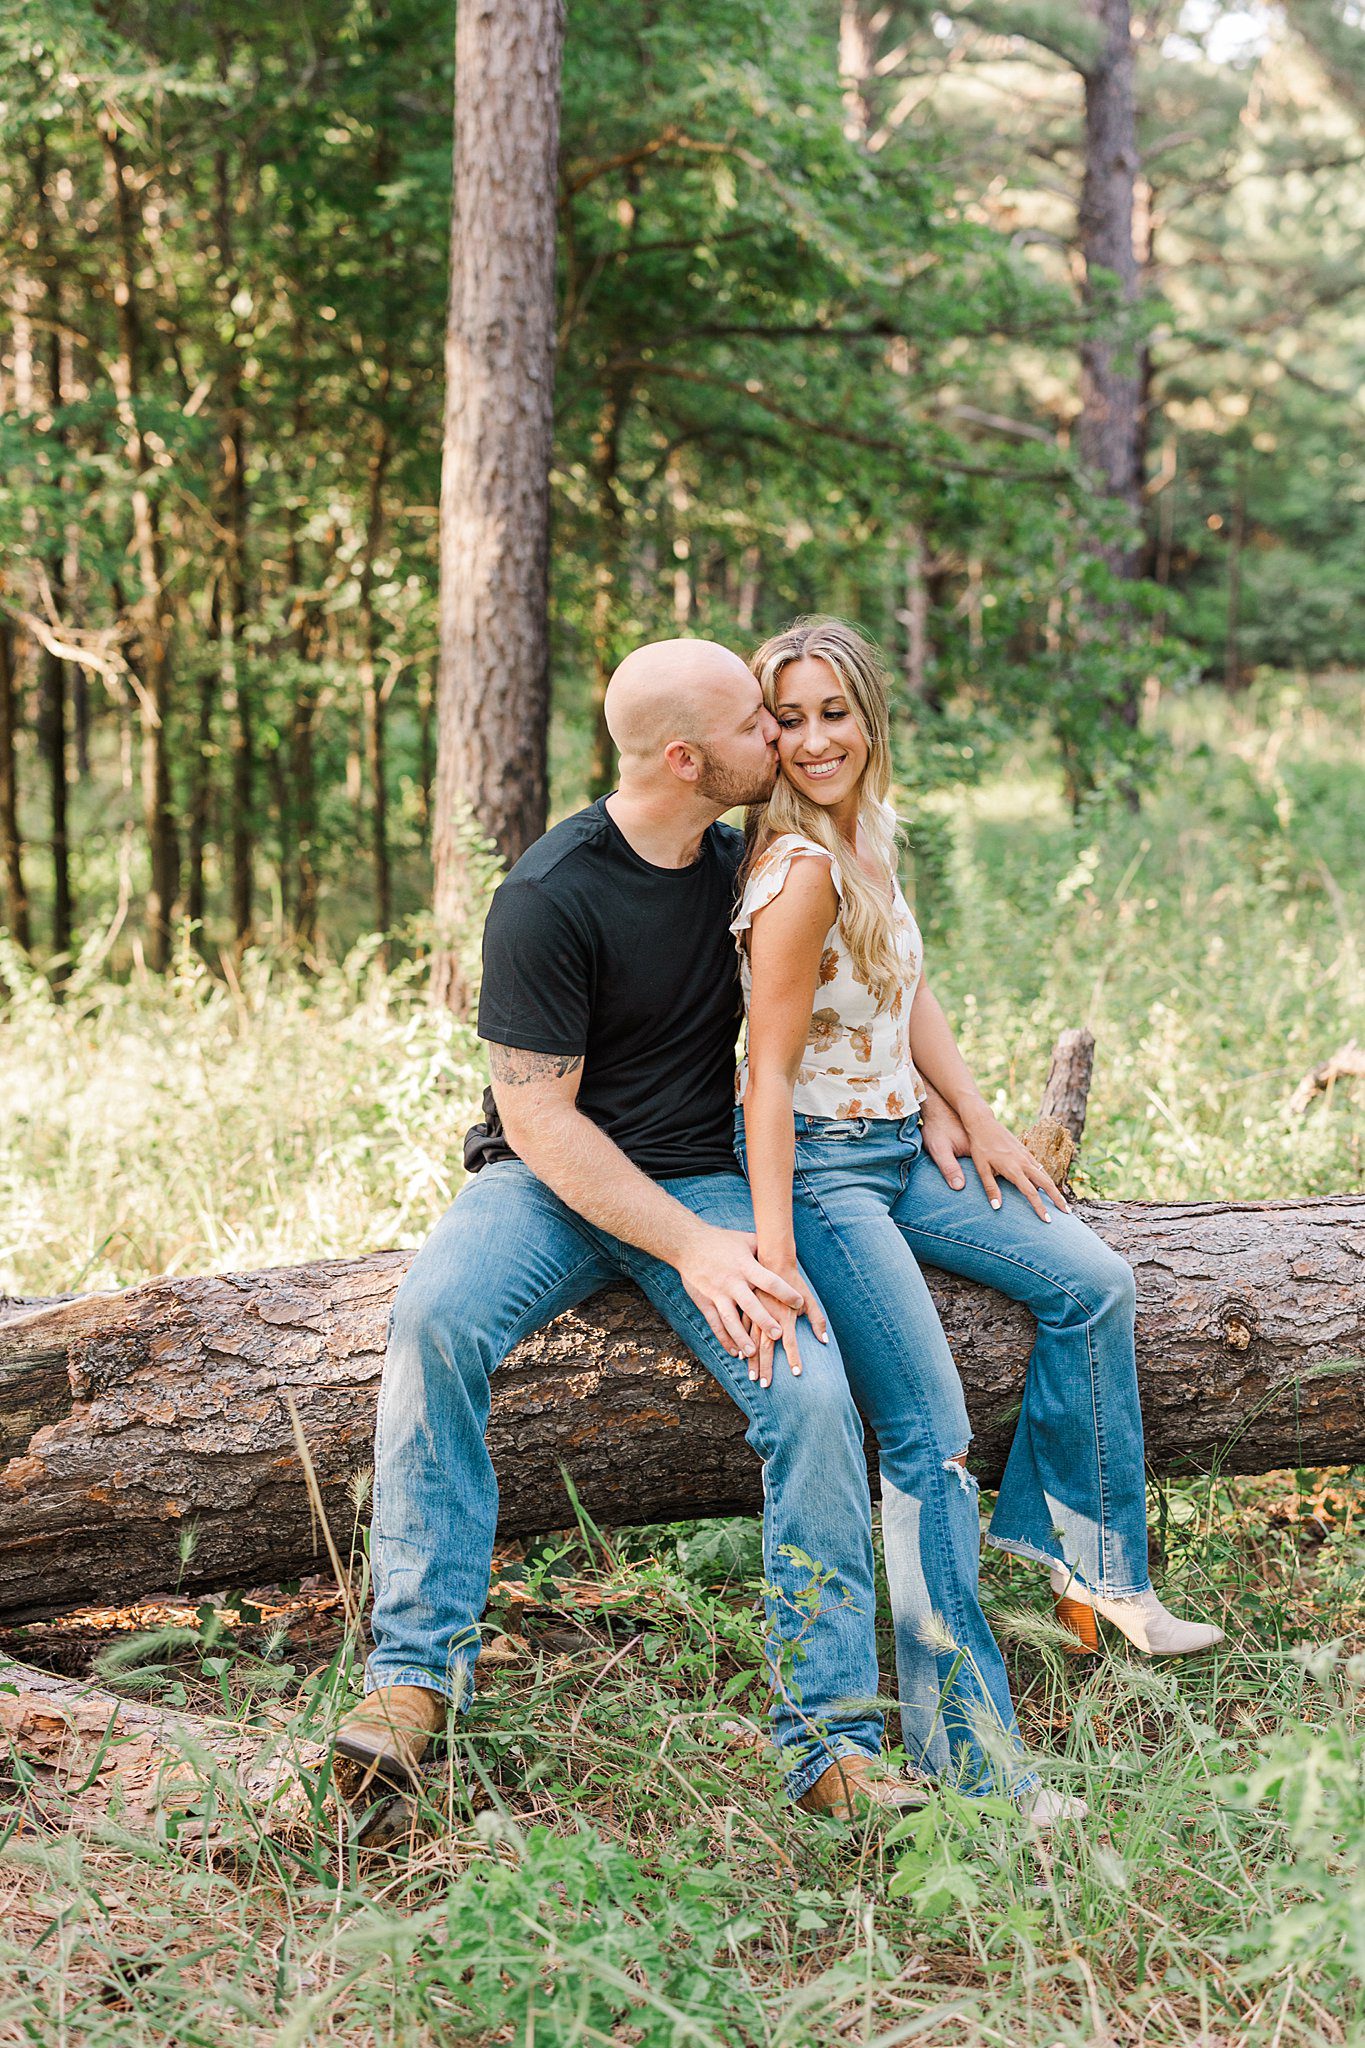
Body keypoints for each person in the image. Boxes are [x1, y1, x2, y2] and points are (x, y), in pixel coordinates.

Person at [334, 638, 933, 1822]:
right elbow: (540, 1121)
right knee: (435, 1317)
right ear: (684, 755)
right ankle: (411, 1675)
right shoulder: (551, 893)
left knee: (812, 1394)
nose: (782, 738)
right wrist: (694, 1248)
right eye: (760, 725)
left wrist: (964, 1112)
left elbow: (879, 977)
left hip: (708, 1172)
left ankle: (829, 1745)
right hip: (548, 1186)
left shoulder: (746, 864)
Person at [731, 615, 1224, 1798]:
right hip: (828, 1170)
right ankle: (978, 1761)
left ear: (869, 716)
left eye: (832, 712)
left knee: (1093, 1280)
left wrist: (975, 1113)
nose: (811, 740)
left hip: (903, 1147)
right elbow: (767, 1070)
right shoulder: (797, 873)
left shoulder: (869, 833)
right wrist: (774, 1245)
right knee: (930, 1438)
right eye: (786, 719)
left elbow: (910, 986)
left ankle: (1100, 1576)